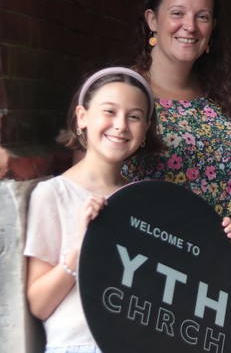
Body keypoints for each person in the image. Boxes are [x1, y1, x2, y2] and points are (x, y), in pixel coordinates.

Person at [120, 0, 231, 352]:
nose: (190, 26)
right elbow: (97, 178)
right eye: (177, 13)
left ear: (212, 27)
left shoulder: (218, 97)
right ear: (152, 20)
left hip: (222, 275)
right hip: (153, 277)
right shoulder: (125, 92)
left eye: (202, 16)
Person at [24, 67, 162, 353]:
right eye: (109, 111)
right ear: (83, 117)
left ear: (145, 129)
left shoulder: (144, 201)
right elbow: (39, 304)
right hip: (78, 346)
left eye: (134, 116)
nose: (121, 125)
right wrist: (81, 248)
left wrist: (213, 239)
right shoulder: (52, 194)